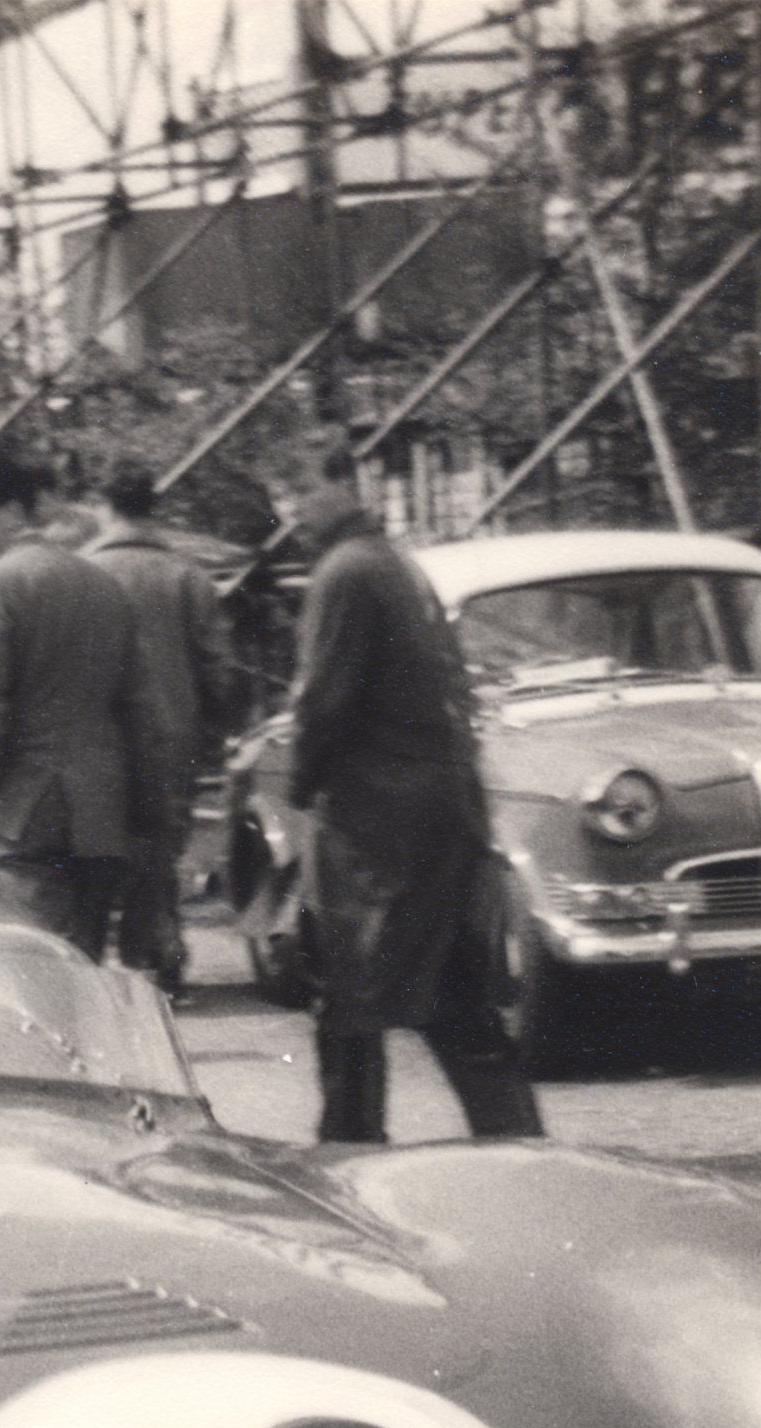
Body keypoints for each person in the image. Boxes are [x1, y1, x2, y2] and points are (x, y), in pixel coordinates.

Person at [286, 430, 542, 1145]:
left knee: (350, 1004)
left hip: (377, 832)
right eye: (288, 495)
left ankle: (349, 1157)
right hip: (439, 817)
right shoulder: (394, 565)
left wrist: (301, 789)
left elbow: (322, 704)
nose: (294, 511)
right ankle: (520, 1148)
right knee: (456, 1002)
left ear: (345, 485)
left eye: (304, 490)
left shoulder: (342, 573)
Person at [0, 450, 167, 963]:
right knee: (81, 973)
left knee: (31, 980)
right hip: (99, 815)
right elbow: (142, 710)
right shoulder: (103, 583)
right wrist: (146, 810)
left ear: (14, 511)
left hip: (16, 821)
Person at [84, 458, 237, 996]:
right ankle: (159, 953)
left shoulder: (83, 572)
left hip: (98, 736)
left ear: (101, 508)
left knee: (100, 848)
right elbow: (217, 669)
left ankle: (107, 969)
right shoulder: (188, 577)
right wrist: (211, 730)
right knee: (159, 850)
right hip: (175, 735)